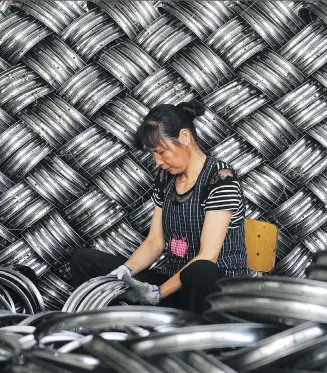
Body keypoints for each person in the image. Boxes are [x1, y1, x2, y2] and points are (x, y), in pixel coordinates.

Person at [70, 100, 250, 314]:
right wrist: (123, 272)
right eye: (153, 155)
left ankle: (195, 338)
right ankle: (123, 329)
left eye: (162, 152)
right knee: (84, 260)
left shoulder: (220, 179)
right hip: (175, 286)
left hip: (214, 291)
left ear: (184, 137)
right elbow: (155, 241)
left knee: (202, 270)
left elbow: (208, 255)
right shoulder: (166, 178)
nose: (159, 162)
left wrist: (158, 294)